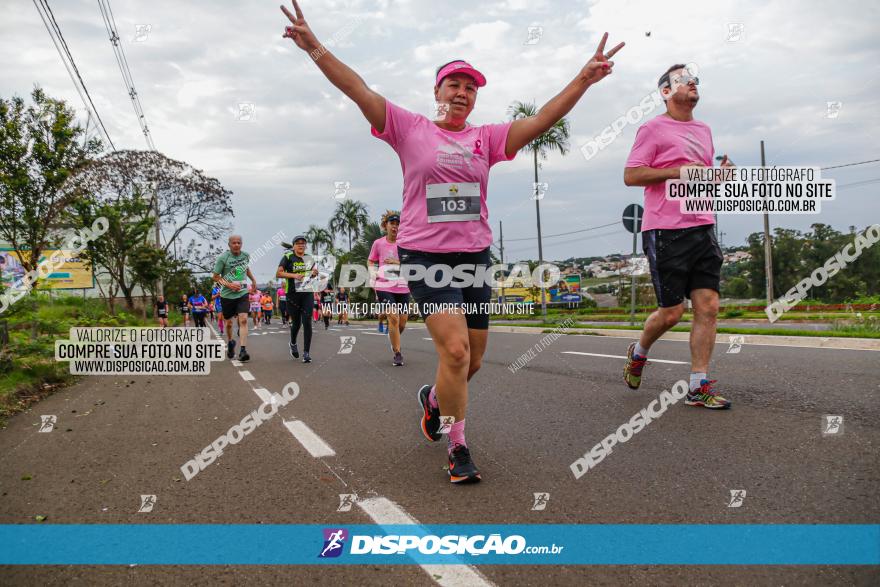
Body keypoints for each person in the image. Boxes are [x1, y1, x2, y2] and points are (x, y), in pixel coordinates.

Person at [281, 0, 623, 483]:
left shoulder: (488, 138)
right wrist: (313, 46)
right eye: (453, 84)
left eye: (470, 87)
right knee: (456, 353)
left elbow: (543, 118)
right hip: (425, 258)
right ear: (436, 91)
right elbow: (356, 88)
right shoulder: (408, 127)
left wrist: (583, 79)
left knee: (473, 360)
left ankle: (435, 401)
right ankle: (457, 446)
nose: (462, 93)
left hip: (474, 259)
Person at [622, 63, 733, 409]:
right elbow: (631, 175)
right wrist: (677, 171)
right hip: (665, 231)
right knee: (672, 313)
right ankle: (639, 352)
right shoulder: (652, 129)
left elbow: (697, 177)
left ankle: (698, 386)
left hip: (703, 225)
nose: (692, 83)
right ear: (666, 92)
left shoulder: (704, 130)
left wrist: (718, 177)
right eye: (683, 79)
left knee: (708, 307)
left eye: (694, 79)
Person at [368, 210, 410, 366]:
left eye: (398, 224)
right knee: (393, 317)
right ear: (386, 225)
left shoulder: (406, 243)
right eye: (392, 224)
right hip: (384, 285)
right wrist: (373, 276)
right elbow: (371, 261)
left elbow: (413, 264)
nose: (395, 227)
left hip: (403, 286)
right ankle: (397, 353)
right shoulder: (378, 243)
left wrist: (398, 263)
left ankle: (393, 336)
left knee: (402, 322)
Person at [212, 235, 257, 362]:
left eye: (239, 243)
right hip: (227, 295)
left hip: (242, 293)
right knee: (229, 323)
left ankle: (243, 350)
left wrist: (253, 279)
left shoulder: (245, 255)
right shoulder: (223, 258)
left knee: (243, 320)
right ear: (229, 245)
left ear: (241, 244)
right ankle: (231, 342)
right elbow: (215, 277)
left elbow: (246, 268)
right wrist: (229, 284)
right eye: (234, 243)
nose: (236, 245)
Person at [276, 235, 319, 363]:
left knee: (307, 321)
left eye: (303, 243)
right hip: (292, 294)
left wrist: (314, 273)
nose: (301, 245)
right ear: (294, 246)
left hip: (307, 292)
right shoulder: (288, 257)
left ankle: (306, 353)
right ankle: (293, 343)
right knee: (296, 323)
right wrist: (293, 275)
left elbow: (313, 272)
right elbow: (279, 273)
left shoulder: (309, 258)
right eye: (298, 243)